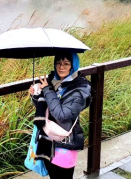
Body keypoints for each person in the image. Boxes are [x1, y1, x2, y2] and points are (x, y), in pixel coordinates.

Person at [28, 50, 91, 178]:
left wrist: (47, 90)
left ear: (73, 66)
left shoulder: (79, 89)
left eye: (66, 64)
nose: (61, 67)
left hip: (65, 144)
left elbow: (61, 115)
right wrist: (35, 95)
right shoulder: (52, 81)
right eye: (58, 63)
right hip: (48, 142)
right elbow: (47, 109)